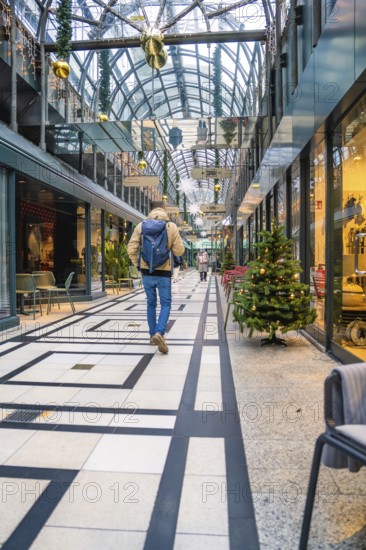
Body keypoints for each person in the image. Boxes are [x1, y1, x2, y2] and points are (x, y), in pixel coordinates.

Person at [127, 200, 184, 354]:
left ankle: (152, 335)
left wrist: (139, 265)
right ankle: (160, 332)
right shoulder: (170, 226)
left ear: (150, 209)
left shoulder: (141, 226)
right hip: (164, 273)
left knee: (151, 304)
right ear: (164, 209)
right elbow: (179, 251)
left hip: (147, 272)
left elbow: (131, 248)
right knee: (166, 303)